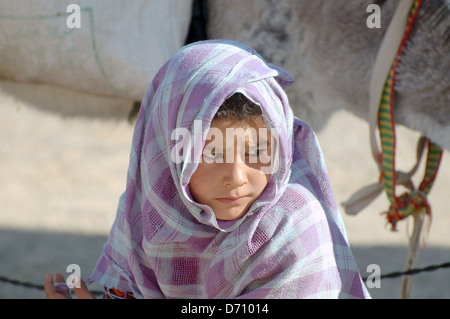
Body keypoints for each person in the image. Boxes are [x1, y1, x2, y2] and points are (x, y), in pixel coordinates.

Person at [45, 39, 371, 299]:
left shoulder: (291, 230)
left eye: (257, 151)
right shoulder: (149, 213)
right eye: (211, 153)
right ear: (168, 153)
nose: (237, 178)